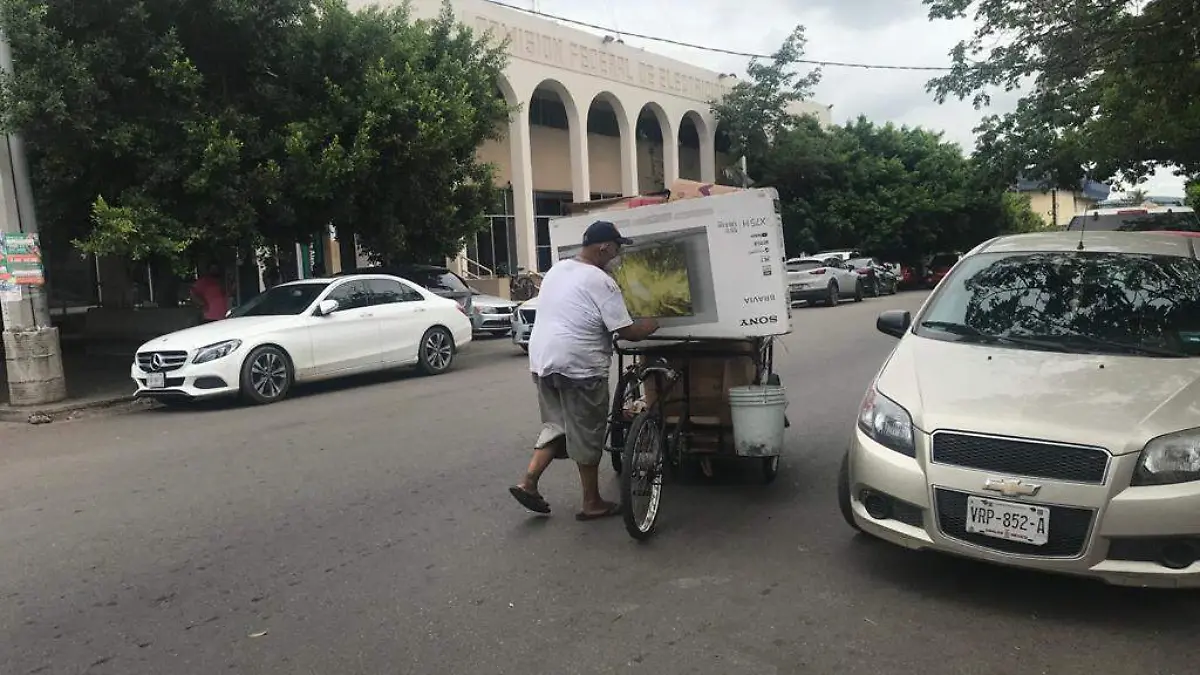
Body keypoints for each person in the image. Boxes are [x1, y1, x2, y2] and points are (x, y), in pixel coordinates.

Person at [508, 220, 660, 520]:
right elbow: (627, 331)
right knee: (588, 433)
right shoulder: (601, 281)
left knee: (559, 426)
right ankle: (592, 503)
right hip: (579, 367)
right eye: (616, 248)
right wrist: (653, 324)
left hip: (542, 362)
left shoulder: (558, 269)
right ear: (604, 247)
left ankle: (528, 482)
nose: (617, 255)